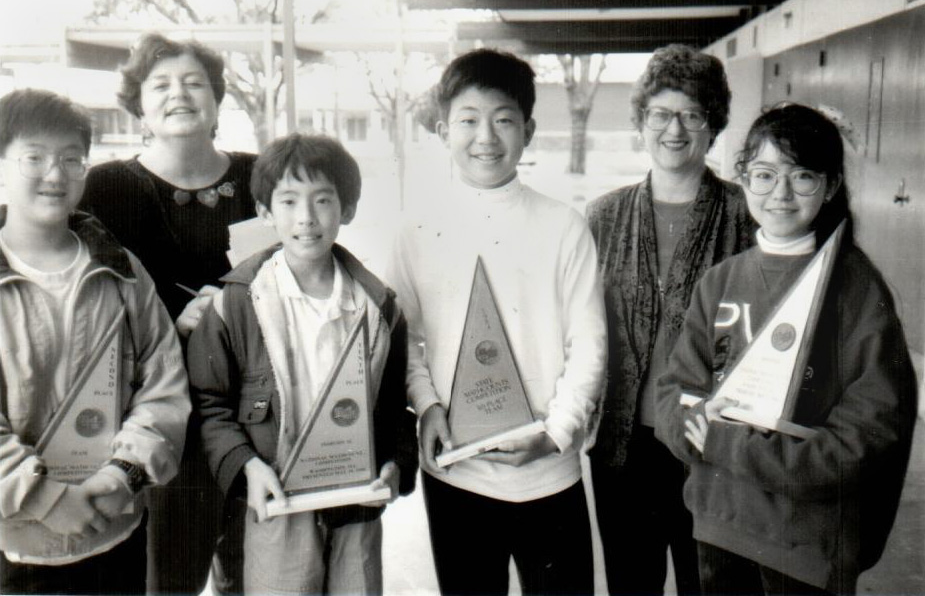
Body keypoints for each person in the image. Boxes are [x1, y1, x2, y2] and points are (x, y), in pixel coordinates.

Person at [654, 103, 917, 595]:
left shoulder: (858, 292)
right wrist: (687, 426)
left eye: (802, 177)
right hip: (720, 523)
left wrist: (720, 442)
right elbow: (676, 391)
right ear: (744, 179)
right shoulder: (720, 282)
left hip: (805, 544)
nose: (780, 193)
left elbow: (864, 438)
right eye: (764, 174)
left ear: (831, 186)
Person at [387, 48, 607, 596]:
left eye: (503, 119)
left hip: (548, 469)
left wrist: (557, 434)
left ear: (528, 129)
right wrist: (429, 406)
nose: (486, 136)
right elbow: (405, 339)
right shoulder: (415, 228)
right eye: (468, 120)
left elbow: (590, 343)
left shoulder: (564, 226)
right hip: (455, 469)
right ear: (442, 130)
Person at [187, 133, 418, 595]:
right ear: (267, 212)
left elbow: (394, 405)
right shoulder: (237, 304)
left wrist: (395, 462)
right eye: (289, 201)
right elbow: (210, 404)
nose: (306, 218)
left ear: (347, 209)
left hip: (357, 502)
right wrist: (248, 467)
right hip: (279, 502)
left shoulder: (378, 306)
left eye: (323, 200)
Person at [78, 33, 256, 594]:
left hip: (257, 417)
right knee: (170, 580)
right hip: (163, 421)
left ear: (217, 97)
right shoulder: (102, 189)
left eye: (194, 82)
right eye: (161, 85)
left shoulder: (261, 178)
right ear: (139, 105)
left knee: (259, 576)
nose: (179, 94)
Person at [0, 88, 190, 594]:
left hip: (116, 534)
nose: (56, 174)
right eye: (33, 157)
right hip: (14, 551)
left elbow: (163, 380)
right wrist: (46, 499)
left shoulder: (121, 270)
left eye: (71, 159)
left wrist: (123, 474)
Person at [585, 44, 755, 596]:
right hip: (622, 446)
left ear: (714, 124)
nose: (674, 129)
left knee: (712, 585)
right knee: (631, 583)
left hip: (714, 447)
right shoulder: (604, 216)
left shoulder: (743, 214)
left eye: (692, 114)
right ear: (641, 121)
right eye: (660, 113)